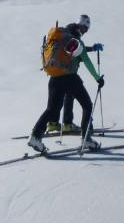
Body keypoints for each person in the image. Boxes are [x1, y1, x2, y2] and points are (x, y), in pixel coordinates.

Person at [28, 14, 105, 153]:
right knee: (87, 105)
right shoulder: (76, 41)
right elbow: (86, 60)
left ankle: (35, 136)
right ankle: (86, 139)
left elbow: (77, 54)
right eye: (85, 29)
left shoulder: (61, 38)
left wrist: (91, 48)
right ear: (82, 28)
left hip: (54, 77)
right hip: (69, 77)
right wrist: (98, 78)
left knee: (51, 110)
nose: (85, 32)